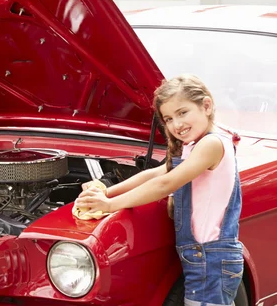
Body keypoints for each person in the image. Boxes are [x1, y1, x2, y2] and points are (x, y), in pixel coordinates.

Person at [74, 74, 243, 306]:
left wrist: (111, 206)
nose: (177, 125)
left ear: (206, 105)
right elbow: (154, 173)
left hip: (210, 257)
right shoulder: (196, 143)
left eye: (183, 113)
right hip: (204, 256)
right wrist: (107, 191)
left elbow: (166, 183)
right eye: (169, 118)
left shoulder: (212, 144)